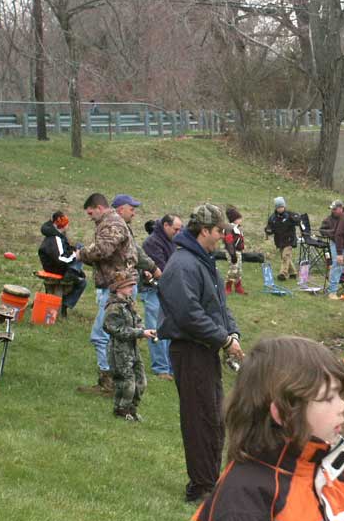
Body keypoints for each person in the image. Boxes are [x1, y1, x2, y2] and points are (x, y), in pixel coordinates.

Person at [192, 336, 344, 521]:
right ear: (285, 413)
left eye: (340, 395)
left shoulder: (323, 469)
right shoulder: (243, 503)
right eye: (329, 398)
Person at [157, 203, 244, 503]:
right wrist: (223, 339)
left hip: (205, 350)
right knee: (199, 419)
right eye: (219, 231)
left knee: (214, 418)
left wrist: (232, 332)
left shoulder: (203, 261)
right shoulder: (183, 264)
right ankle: (200, 487)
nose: (222, 236)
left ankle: (210, 481)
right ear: (204, 230)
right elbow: (188, 314)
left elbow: (219, 305)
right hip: (190, 351)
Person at [76, 193, 138, 395]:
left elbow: (103, 249)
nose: (90, 217)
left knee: (101, 335)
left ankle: (108, 383)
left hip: (118, 286)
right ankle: (120, 381)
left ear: (99, 208)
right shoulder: (113, 222)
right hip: (119, 284)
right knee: (116, 335)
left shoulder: (112, 223)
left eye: (90, 213)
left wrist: (81, 254)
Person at [103, 271, 156, 422]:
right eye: (129, 285)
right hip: (119, 350)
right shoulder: (113, 307)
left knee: (141, 381)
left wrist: (144, 330)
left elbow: (137, 320)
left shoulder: (129, 303)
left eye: (133, 285)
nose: (132, 288)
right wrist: (140, 333)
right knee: (127, 382)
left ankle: (132, 409)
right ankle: (121, 410)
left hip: (132, 348)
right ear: (118, 288)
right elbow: (115, 329)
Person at [141, 214, 183, 380]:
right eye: (176, 229)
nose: (178, 232)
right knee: (156, 329)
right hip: (153, 290)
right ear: (166, 225)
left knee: (169, 328)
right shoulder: (152, 243)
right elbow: (163, 270)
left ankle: (171, 367)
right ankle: (161, 368)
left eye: (180, 229)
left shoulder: (172, 240)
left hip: (169, 291)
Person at [37, 211, 87, 315]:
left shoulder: (57, 236)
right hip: (56, 268)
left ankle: (65, 304)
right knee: (81, 251)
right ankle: (73, 271)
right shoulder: (55, 238)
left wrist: (74, 252)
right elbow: (60, 258)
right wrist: (75, 256)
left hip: (59, 265)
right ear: (61, 224)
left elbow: (65, 251)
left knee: (82, 282)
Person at [264, 196, 301, 281]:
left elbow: (298, 220)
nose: (280, 209)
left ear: (284, 206)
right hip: (279, 241)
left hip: (289, 240)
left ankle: (283, 274)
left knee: (285, 256)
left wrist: (296, 218)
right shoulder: (272, 218)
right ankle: (293, 273)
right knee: (285, 257)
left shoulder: (290, 215)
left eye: (281, 207)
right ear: (276, 208)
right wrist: (268, 230)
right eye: (278, 207)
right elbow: (269, 228)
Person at [223, 206, 247, 295]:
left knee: (239, 269)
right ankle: (228, 287)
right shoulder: (229, 228)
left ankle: (238, 287)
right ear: (234, 219)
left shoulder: (238, 228)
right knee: (233, 269)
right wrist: (232, 254)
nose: (241, 220)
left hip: (238, 252)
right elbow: (229, 242)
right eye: (239, 218)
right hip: (232, 252)